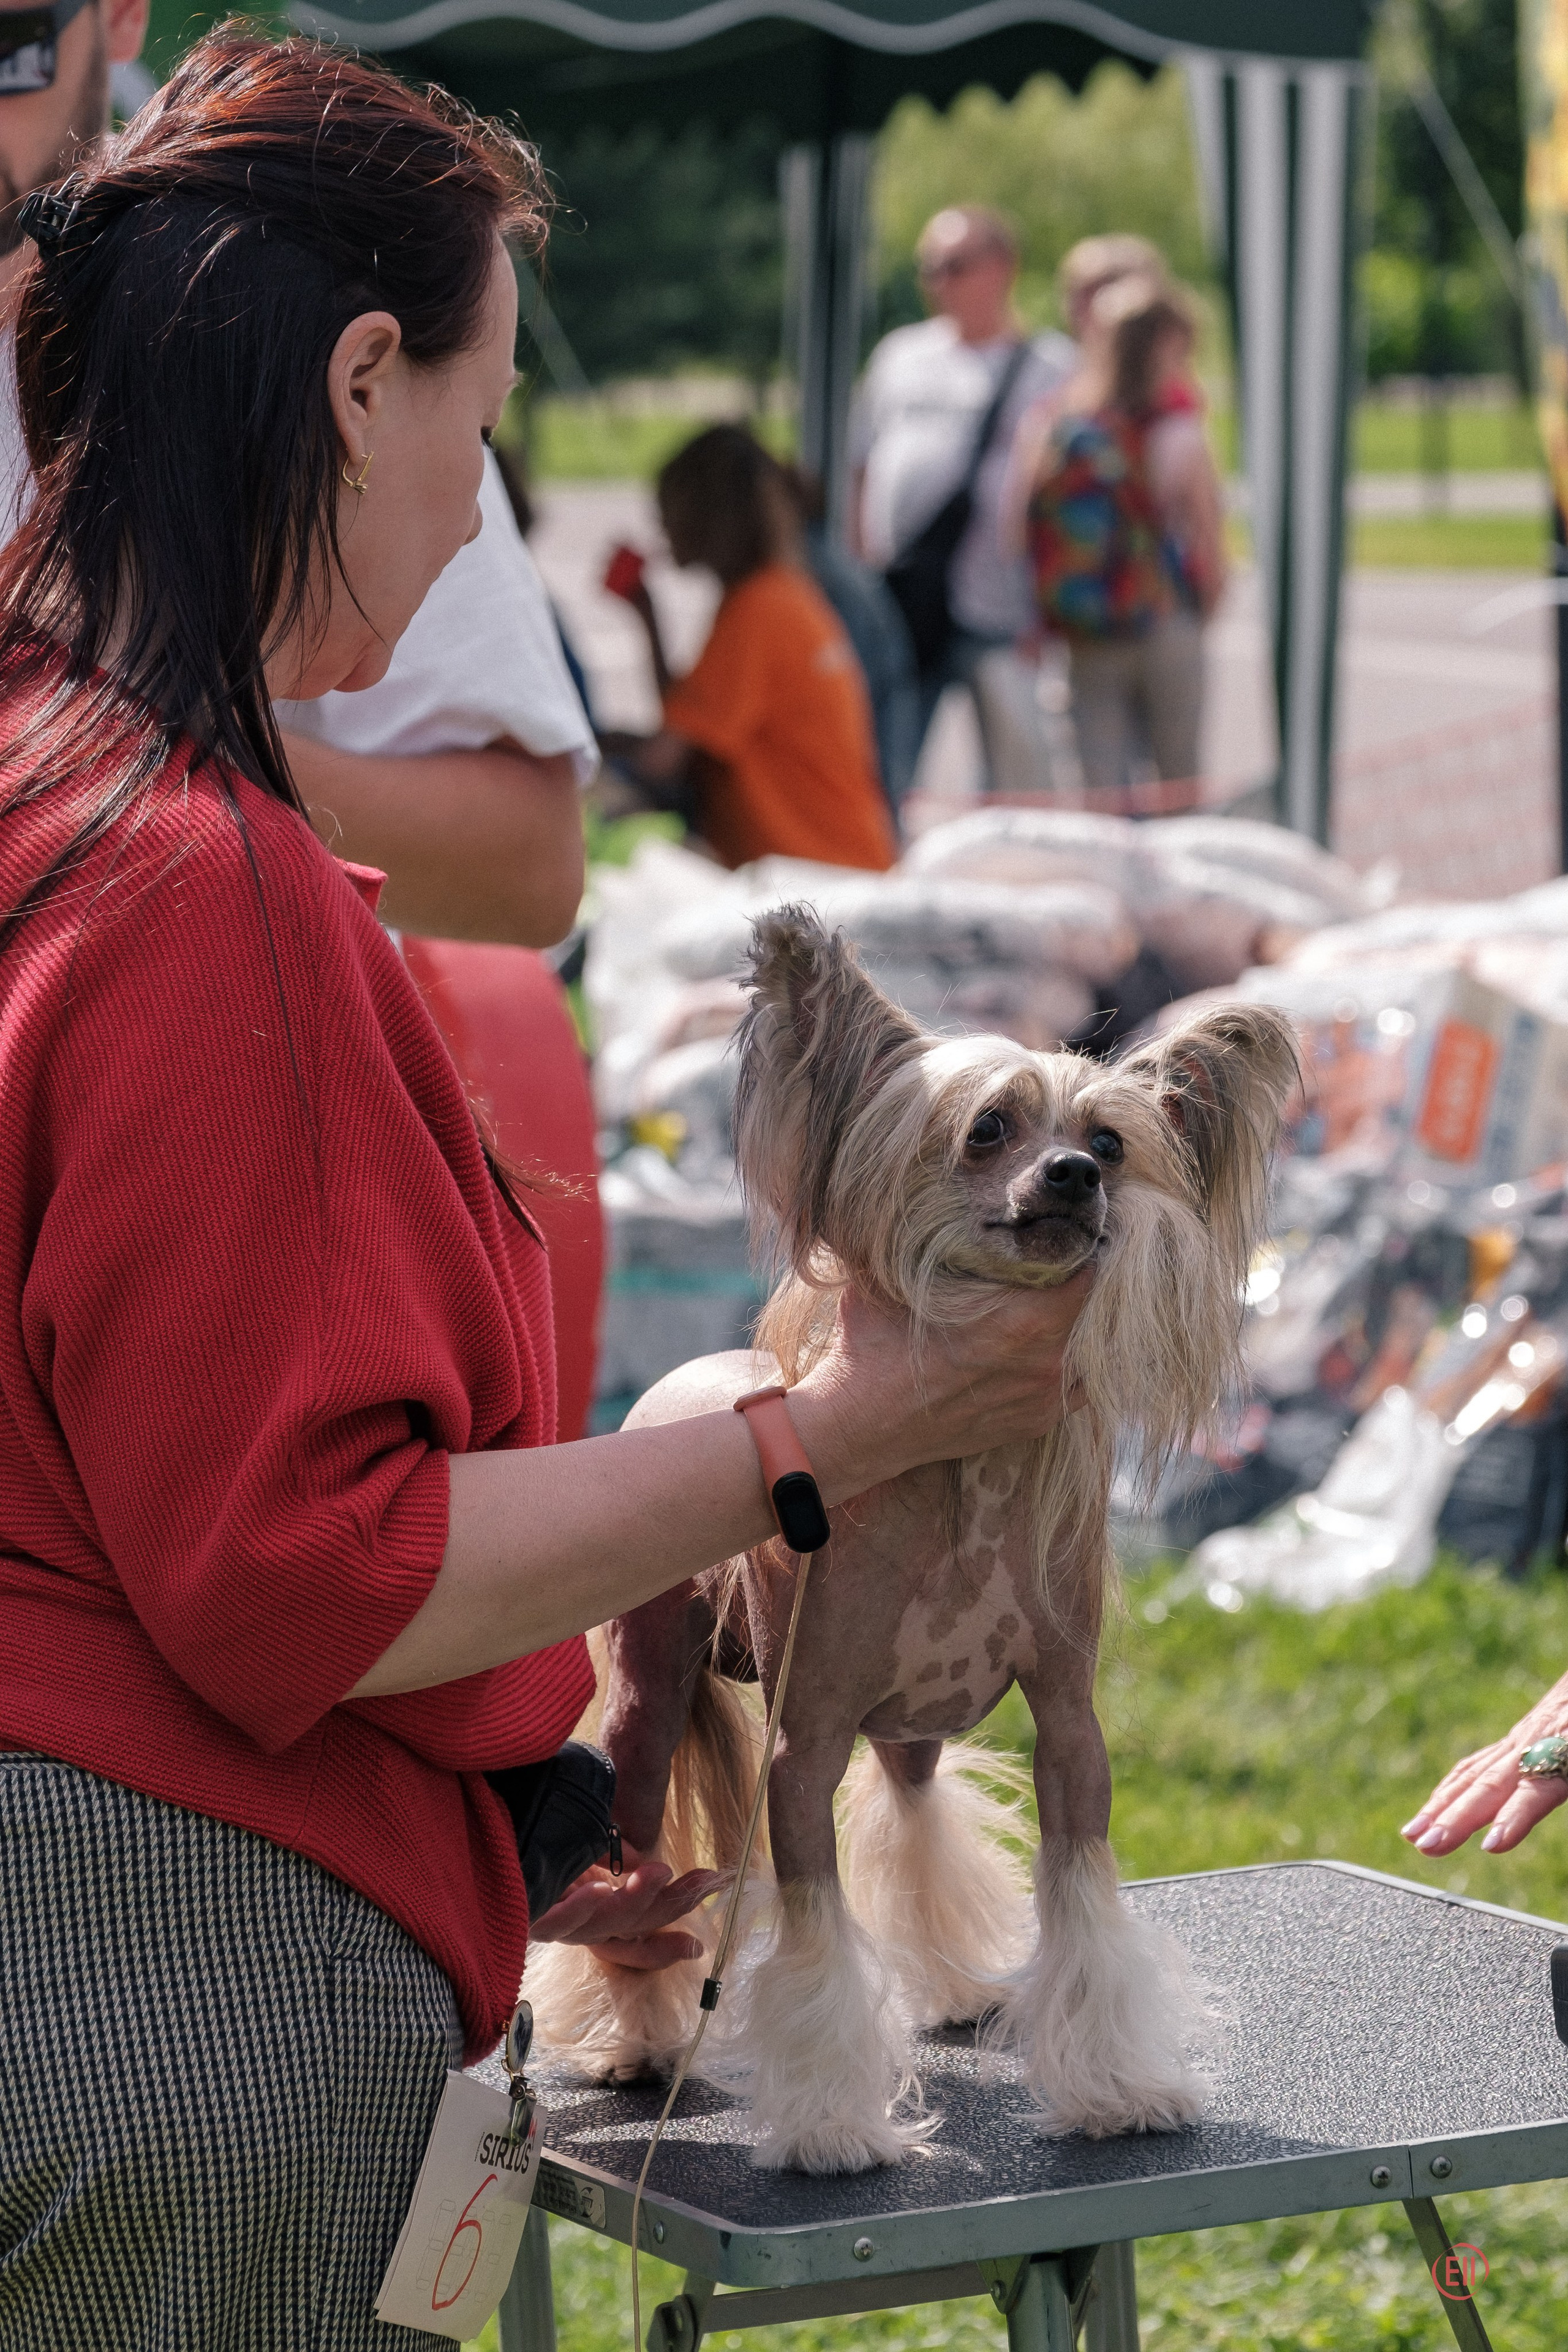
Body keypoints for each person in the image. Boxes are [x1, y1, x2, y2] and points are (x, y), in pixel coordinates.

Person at [0, 34, 1090, 2340]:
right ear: (364, 383)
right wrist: (818, 1445)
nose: (465, 515)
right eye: (480, 441)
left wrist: (520, 1819)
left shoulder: (36, 782)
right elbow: (322, 1581)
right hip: (180, 2021)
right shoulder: (202, 893)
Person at [0, 0, 590, 954]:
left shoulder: (245, 263)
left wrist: (120, 744)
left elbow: (532, 862)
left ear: (115, 19)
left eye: (8, 48)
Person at [601, 424, 895, 871]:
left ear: (705, 515)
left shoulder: (757, 612)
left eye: (667, 509)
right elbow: (694, 729)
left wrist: (597, 751)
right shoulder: (783, 595)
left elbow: (663, 760)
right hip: (846, 865)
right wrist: (648, 616)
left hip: (819, 882)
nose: (659, 526)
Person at [848, 204, 1074, 771]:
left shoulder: (1052, 367)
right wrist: (863, 568)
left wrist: (1049, 609)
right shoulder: (901, 355)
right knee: (888, 759)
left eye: (954, 266)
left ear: (1002, 268)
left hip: (1003, 607)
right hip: (909, 597)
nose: (938, 282)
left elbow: (1070, 500)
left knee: (1019, 769)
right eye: (930, 268)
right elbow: (861, 466)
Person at [1025, 274, 1226, 795]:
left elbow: (1019, 529)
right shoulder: (1180, 433)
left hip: (1085, 626)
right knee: (1177, 782)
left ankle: (1105, 877)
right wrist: (1207, 604)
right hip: (1165, 617)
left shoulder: (1057, 427)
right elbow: (1209, 538)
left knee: (1099, 789)